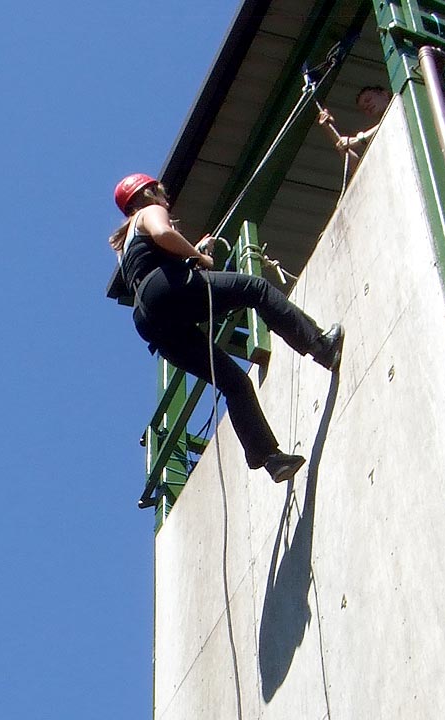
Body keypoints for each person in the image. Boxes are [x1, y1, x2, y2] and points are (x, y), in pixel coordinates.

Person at [109, 173, 343, 483]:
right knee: (255, 289)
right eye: (160, 191)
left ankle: (269, 458)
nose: (166, 196)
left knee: (233, 382)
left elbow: (154, 263)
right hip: (165, 290)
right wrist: (198, 256)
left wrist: (190, 257)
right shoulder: (148, 212)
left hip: (150, 318)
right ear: (149, 193)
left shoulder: (125, 244)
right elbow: (163, 233)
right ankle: (320, 347)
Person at [316, 85, 390, 170]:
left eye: (368, 99)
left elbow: (391, 119)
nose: (367, 106)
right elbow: (359, 168)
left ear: (384, 94)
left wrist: (358, 140)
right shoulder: (379, 139)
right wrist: (328, 127)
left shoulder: (403, 103)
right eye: (364, 108)